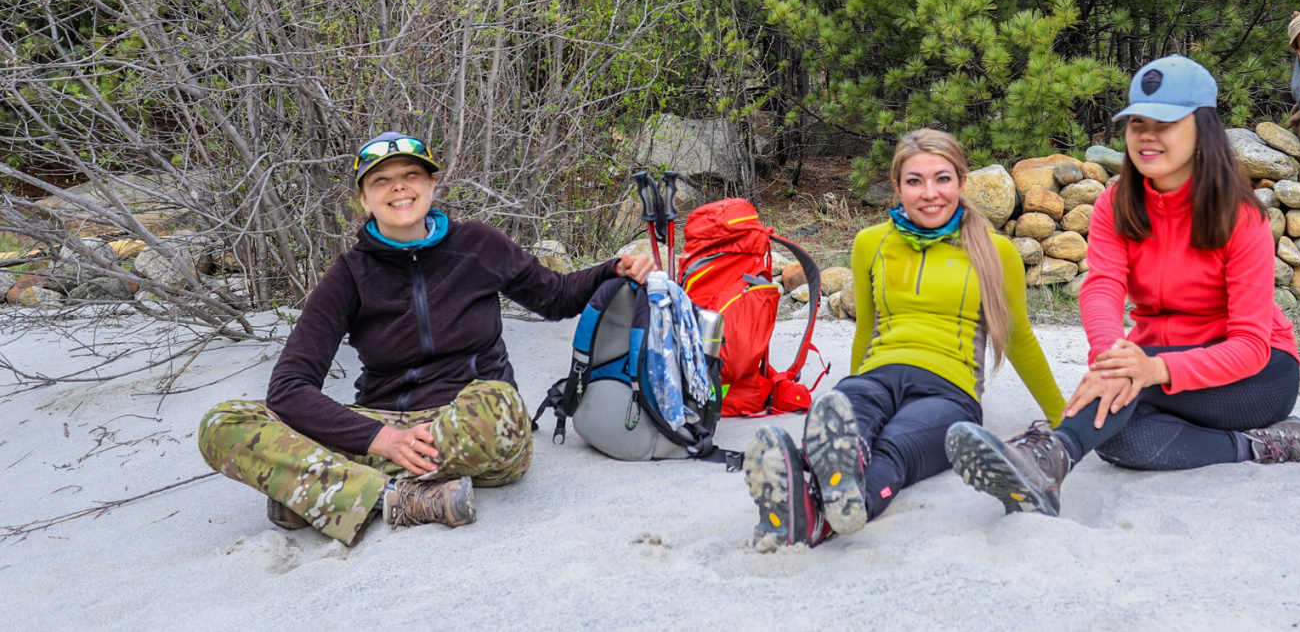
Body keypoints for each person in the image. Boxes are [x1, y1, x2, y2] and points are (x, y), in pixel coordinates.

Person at [946, 56, 1300, 517]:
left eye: (1165, 124)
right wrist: (1111, 356)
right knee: (1119, 439)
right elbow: (1103, 286)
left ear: (1202, 130)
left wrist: (1151, 369)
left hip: (1256, 376)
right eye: (1137, 123)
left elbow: (1250, 346)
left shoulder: (1240, 216)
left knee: (1122, 394)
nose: (1147, 136)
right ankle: (1264, 445)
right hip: (1156, 367)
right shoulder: (1116, 204)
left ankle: (1051, 456)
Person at [198, 132, 656, 546]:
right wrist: (380, 438)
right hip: (383, 426)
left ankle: (324, 488)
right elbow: (289, 387)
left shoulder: (479, 244)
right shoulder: (349, 275)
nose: (398, 187)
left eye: (411, 175)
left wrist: (613, 269)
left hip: (471, 424)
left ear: (433, 184)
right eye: (381, 180)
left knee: (500, 408)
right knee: (223, 423)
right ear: (364, 199)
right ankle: (395, 497)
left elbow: (556, 298)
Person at [739, 128, 1065, 549]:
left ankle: (816, 511)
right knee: (848, 428)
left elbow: (1019, 338)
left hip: (950, 391)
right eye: (915, 181)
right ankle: (827, 491)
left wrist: (1065, 422)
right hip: (876, 377)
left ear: (961, 181)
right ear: (896, 186)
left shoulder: (996, 251)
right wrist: (852, 387)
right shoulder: (871, 243)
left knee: (894, 449)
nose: (930, 193)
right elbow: (866, 329)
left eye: (942, 179)